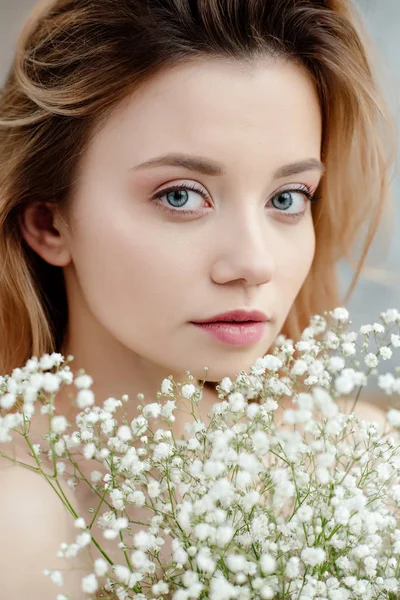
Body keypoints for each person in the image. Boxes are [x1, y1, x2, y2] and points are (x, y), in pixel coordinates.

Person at [0, 0, 396, 596]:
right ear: (49, 223)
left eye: (288, 198)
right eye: (181, 196)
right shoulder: (20, 523)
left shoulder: (363, 469)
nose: (254, 264)